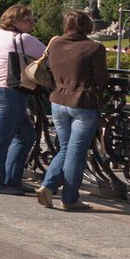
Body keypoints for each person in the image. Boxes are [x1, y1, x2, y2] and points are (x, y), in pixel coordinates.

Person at [36, 11, 108, 211]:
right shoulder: (94, 48)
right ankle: (69, 198)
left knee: (66, 148)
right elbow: (102, 80)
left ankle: (48, 186)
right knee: (76, 152)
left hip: (57, 101)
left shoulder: (55, 44)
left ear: (66, 25)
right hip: (83, 104)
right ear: (88, 26)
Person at [0, 3, 46, 195]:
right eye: (29, 19)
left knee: (26, 136)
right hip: (8, 92)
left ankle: (13, 180)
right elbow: (49, 55)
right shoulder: (23, 39)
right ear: (19, 21)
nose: (33, 23)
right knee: (0, 140)